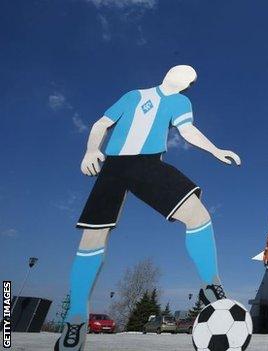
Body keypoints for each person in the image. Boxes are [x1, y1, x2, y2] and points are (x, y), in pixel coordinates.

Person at [55, 65, 241, 351]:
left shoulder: (180, 102)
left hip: (149, 164)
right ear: (172, 74)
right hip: (114, 167)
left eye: (191, 82)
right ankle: (76, 318)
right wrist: (92, 150)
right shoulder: (133, 96)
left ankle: (210, 284)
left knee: (198, 214)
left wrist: (215, 150)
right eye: (188, 78)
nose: (190, 84)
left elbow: (188, 130)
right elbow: (100, 124)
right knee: (93, 238)